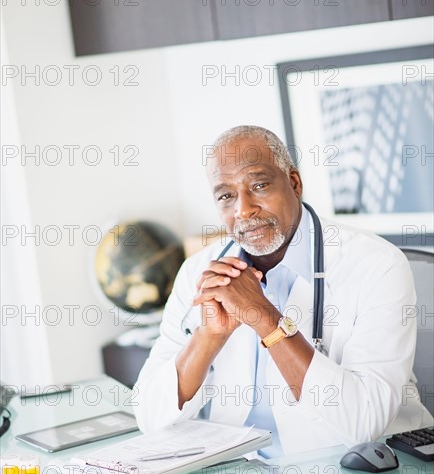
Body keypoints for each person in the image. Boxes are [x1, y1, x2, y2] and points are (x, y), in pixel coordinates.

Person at [134, 125, 432, 455]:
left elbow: (363, 422)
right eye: (226, 196)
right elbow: (150, 417)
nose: (243, 210)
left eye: (259, 185)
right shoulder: (198, 272)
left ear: (294, 183)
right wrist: (208, 337)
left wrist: (266, 320)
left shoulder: (377, 264)